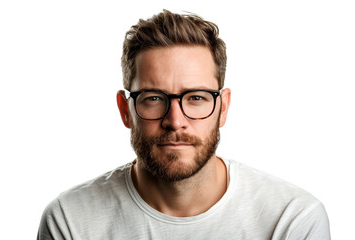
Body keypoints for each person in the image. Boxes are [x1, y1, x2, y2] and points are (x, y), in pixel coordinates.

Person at [37, 10, 331, 240]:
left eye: (196, 98)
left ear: (223, 107)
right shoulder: (71, 221)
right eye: (153, 98)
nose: (175, 121)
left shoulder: (291, 219)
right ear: (126, 110)